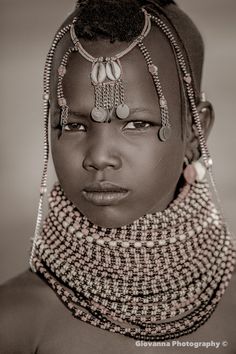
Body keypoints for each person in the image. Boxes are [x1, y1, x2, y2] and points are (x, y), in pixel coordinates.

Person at [0, 0, 235, 353]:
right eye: (73, 125)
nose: (99, 157)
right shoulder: (16, 323)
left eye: (138, 124)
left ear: (195, 130)